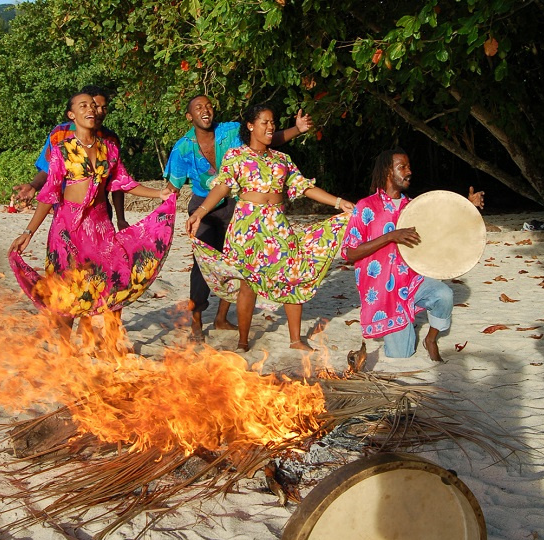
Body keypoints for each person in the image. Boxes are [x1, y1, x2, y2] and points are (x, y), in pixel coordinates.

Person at [8, 92, 175, 344]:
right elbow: (49, 194)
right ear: (71, 115)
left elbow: (124, 183)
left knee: (113, 280)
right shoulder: (63, 150)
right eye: (83, 105)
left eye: (93, 106)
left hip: (99, 225)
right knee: (67, 290)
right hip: (67, 226)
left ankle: (110, 343)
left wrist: (159, 194)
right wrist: (28, 232)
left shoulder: (109, 148)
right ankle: (65, 348)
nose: (91, 109)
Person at [185, 103, 354, 352]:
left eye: (272, 122)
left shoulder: (282, 159)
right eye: (264, 122)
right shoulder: (236, 156)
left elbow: (304, 187)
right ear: (251, 126)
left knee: (293, 275)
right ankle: (243, 341)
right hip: (247, 226)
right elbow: (222, 186)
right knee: (248, 283)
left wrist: (339, 202)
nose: (270, 126)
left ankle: (296, 340)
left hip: (277, 225)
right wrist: (200, 212)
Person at [164, 94, 315, 342]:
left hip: (236, 204)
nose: (206, 110)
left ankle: (222, 317)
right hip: (205, 203)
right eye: (198, 108)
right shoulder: (182, 148)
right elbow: (173, 187)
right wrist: (170, 216)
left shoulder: (231, 131)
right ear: (189, 116)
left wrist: (296, 130)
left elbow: (266, 138)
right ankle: (197, 321)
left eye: (209, 106)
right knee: (203, 264)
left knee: (237, 262)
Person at [341, 148, 484, 362]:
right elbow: (349, 253)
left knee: (444, 294)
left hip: (412, 281)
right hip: (385, 294)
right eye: (402, 167)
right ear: (388, 171)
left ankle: (431, 339)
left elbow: (443, 227)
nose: (409, 171)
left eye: (409, 166)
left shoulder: (414, 207)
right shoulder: (366, 207)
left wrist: (467, 207)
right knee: (401, 355)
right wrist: (390, 236)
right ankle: (405, 320)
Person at [13, 85, 129, 231]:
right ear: (73, 113)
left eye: (103, 108)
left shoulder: (110, 142)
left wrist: (121, 218)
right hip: (67, 214)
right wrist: (34, 186)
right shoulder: (60, 134)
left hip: (100, 216)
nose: (98, 112)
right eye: (93, 106)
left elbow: (118, 182)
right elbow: (50, 173)